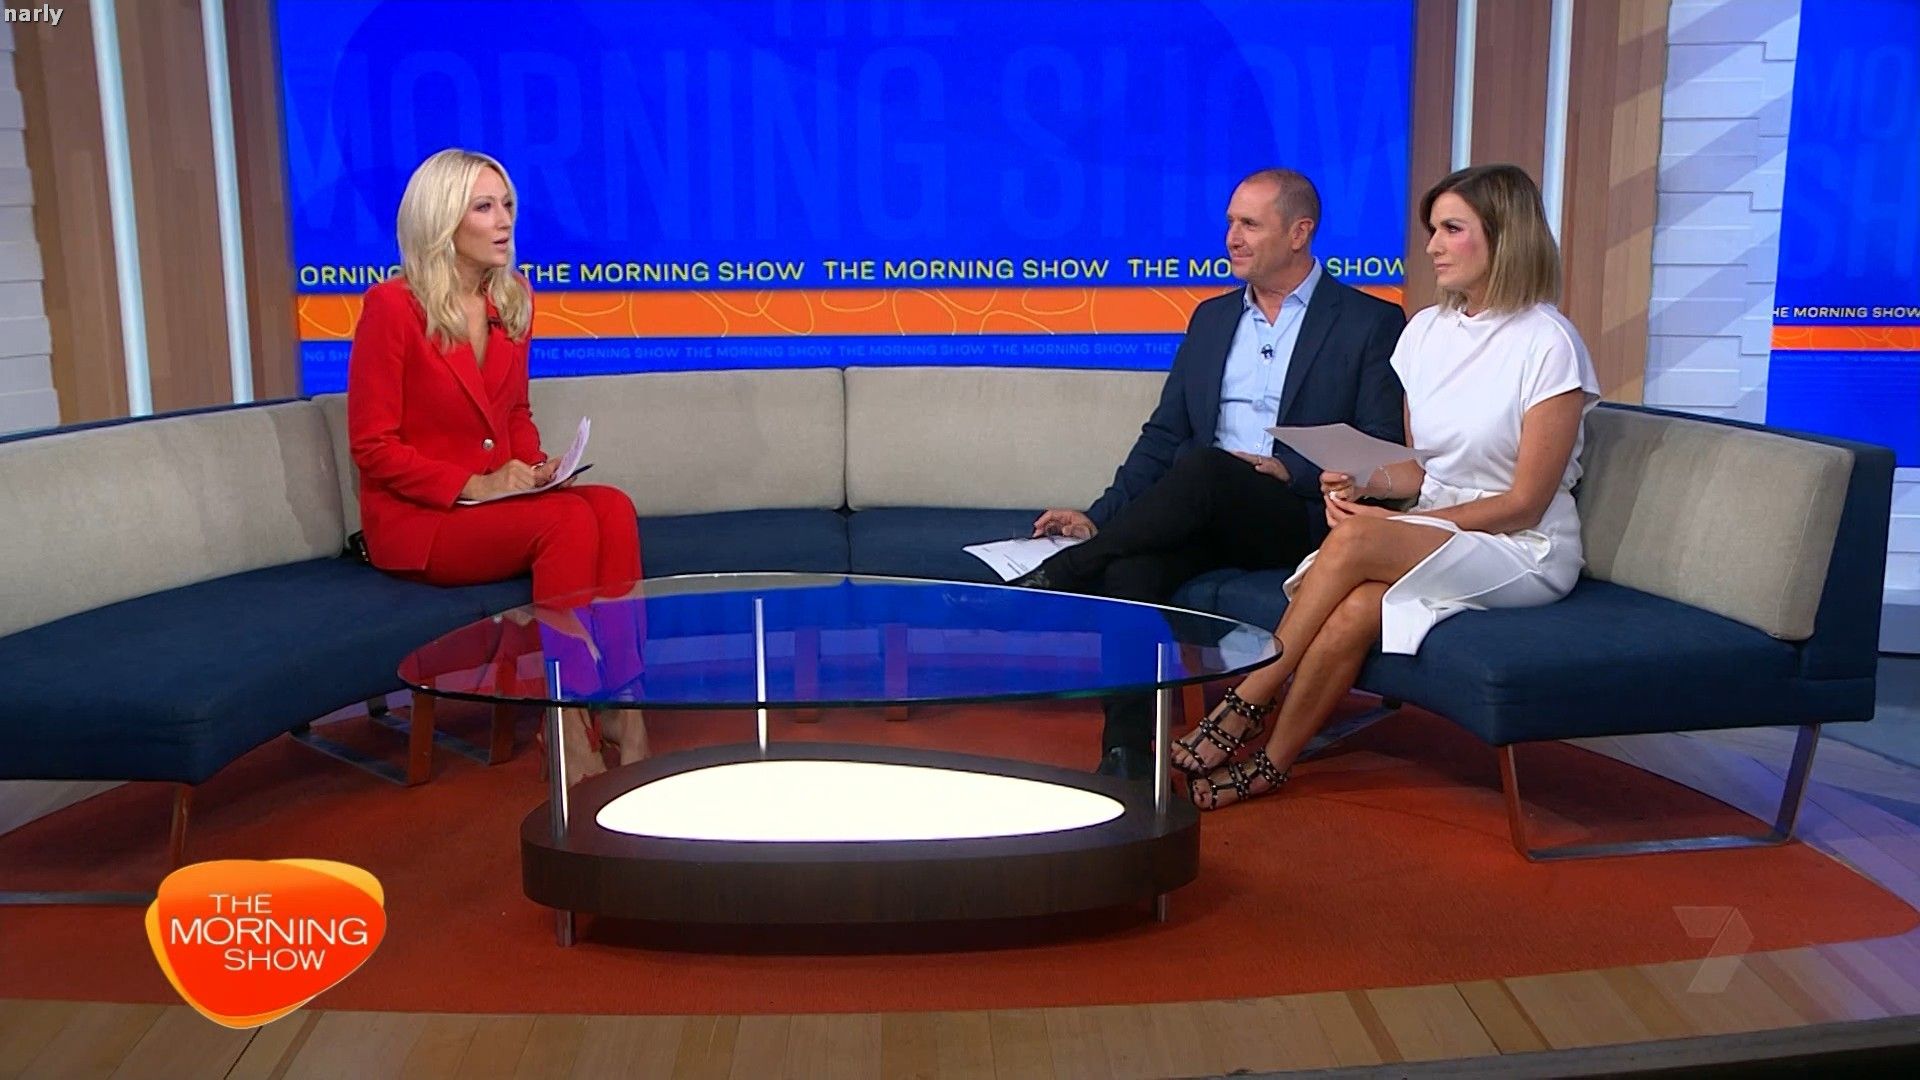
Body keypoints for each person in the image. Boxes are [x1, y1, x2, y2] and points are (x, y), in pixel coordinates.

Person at [1171, 163, 1601, 809]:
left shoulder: (1549, 343)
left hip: (1522, 545)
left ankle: (1247, 697)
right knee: (1356, 609)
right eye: (1432, 230)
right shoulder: (1425, 331)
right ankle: (1271, 763)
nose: (1432, 246)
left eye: (1451, 229)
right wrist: (1362, 483)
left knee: (1357, 543)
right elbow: (1419, 471)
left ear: (1504, 236)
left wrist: (1396, 526)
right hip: (1436, 525)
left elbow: (1525, 503)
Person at [1015, 168, 1406, 778]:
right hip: (1202, 511)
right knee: (1132, 569)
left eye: (1250, 224)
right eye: (1230, 223)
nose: (1232, 237)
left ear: (1300, 232)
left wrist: (1290, 469)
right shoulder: (1212, 318)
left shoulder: (1369, 322)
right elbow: (1163, 435)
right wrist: (1098, 516)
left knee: (1205, 467)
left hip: (1297, 517)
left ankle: (1067, 572)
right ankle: (1126, 754)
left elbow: (1380, 447)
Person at [346, 147, 646, 785]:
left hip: (493, 505)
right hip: (423, 519)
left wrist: (536, 467)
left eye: (507, 204)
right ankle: (566, 722)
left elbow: (514, 413)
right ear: (443, 220)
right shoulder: (392, 308)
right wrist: (476, 484)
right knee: (566, 523)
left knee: (612, 507)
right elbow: (372, 446)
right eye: (484, 207)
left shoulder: (511, 299)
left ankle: (625, 703)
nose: (504, 219)